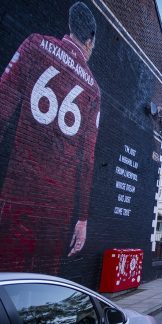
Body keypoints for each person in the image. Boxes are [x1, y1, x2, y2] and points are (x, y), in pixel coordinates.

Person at [0, 2, 101, 274]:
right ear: (89, 40)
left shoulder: (35, 44)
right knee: (46, 280)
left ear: (70, 27)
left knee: (7, 272)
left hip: (19, 189)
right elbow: (87, 160)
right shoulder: (92, 88)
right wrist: (82, 218)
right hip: (59, 206)